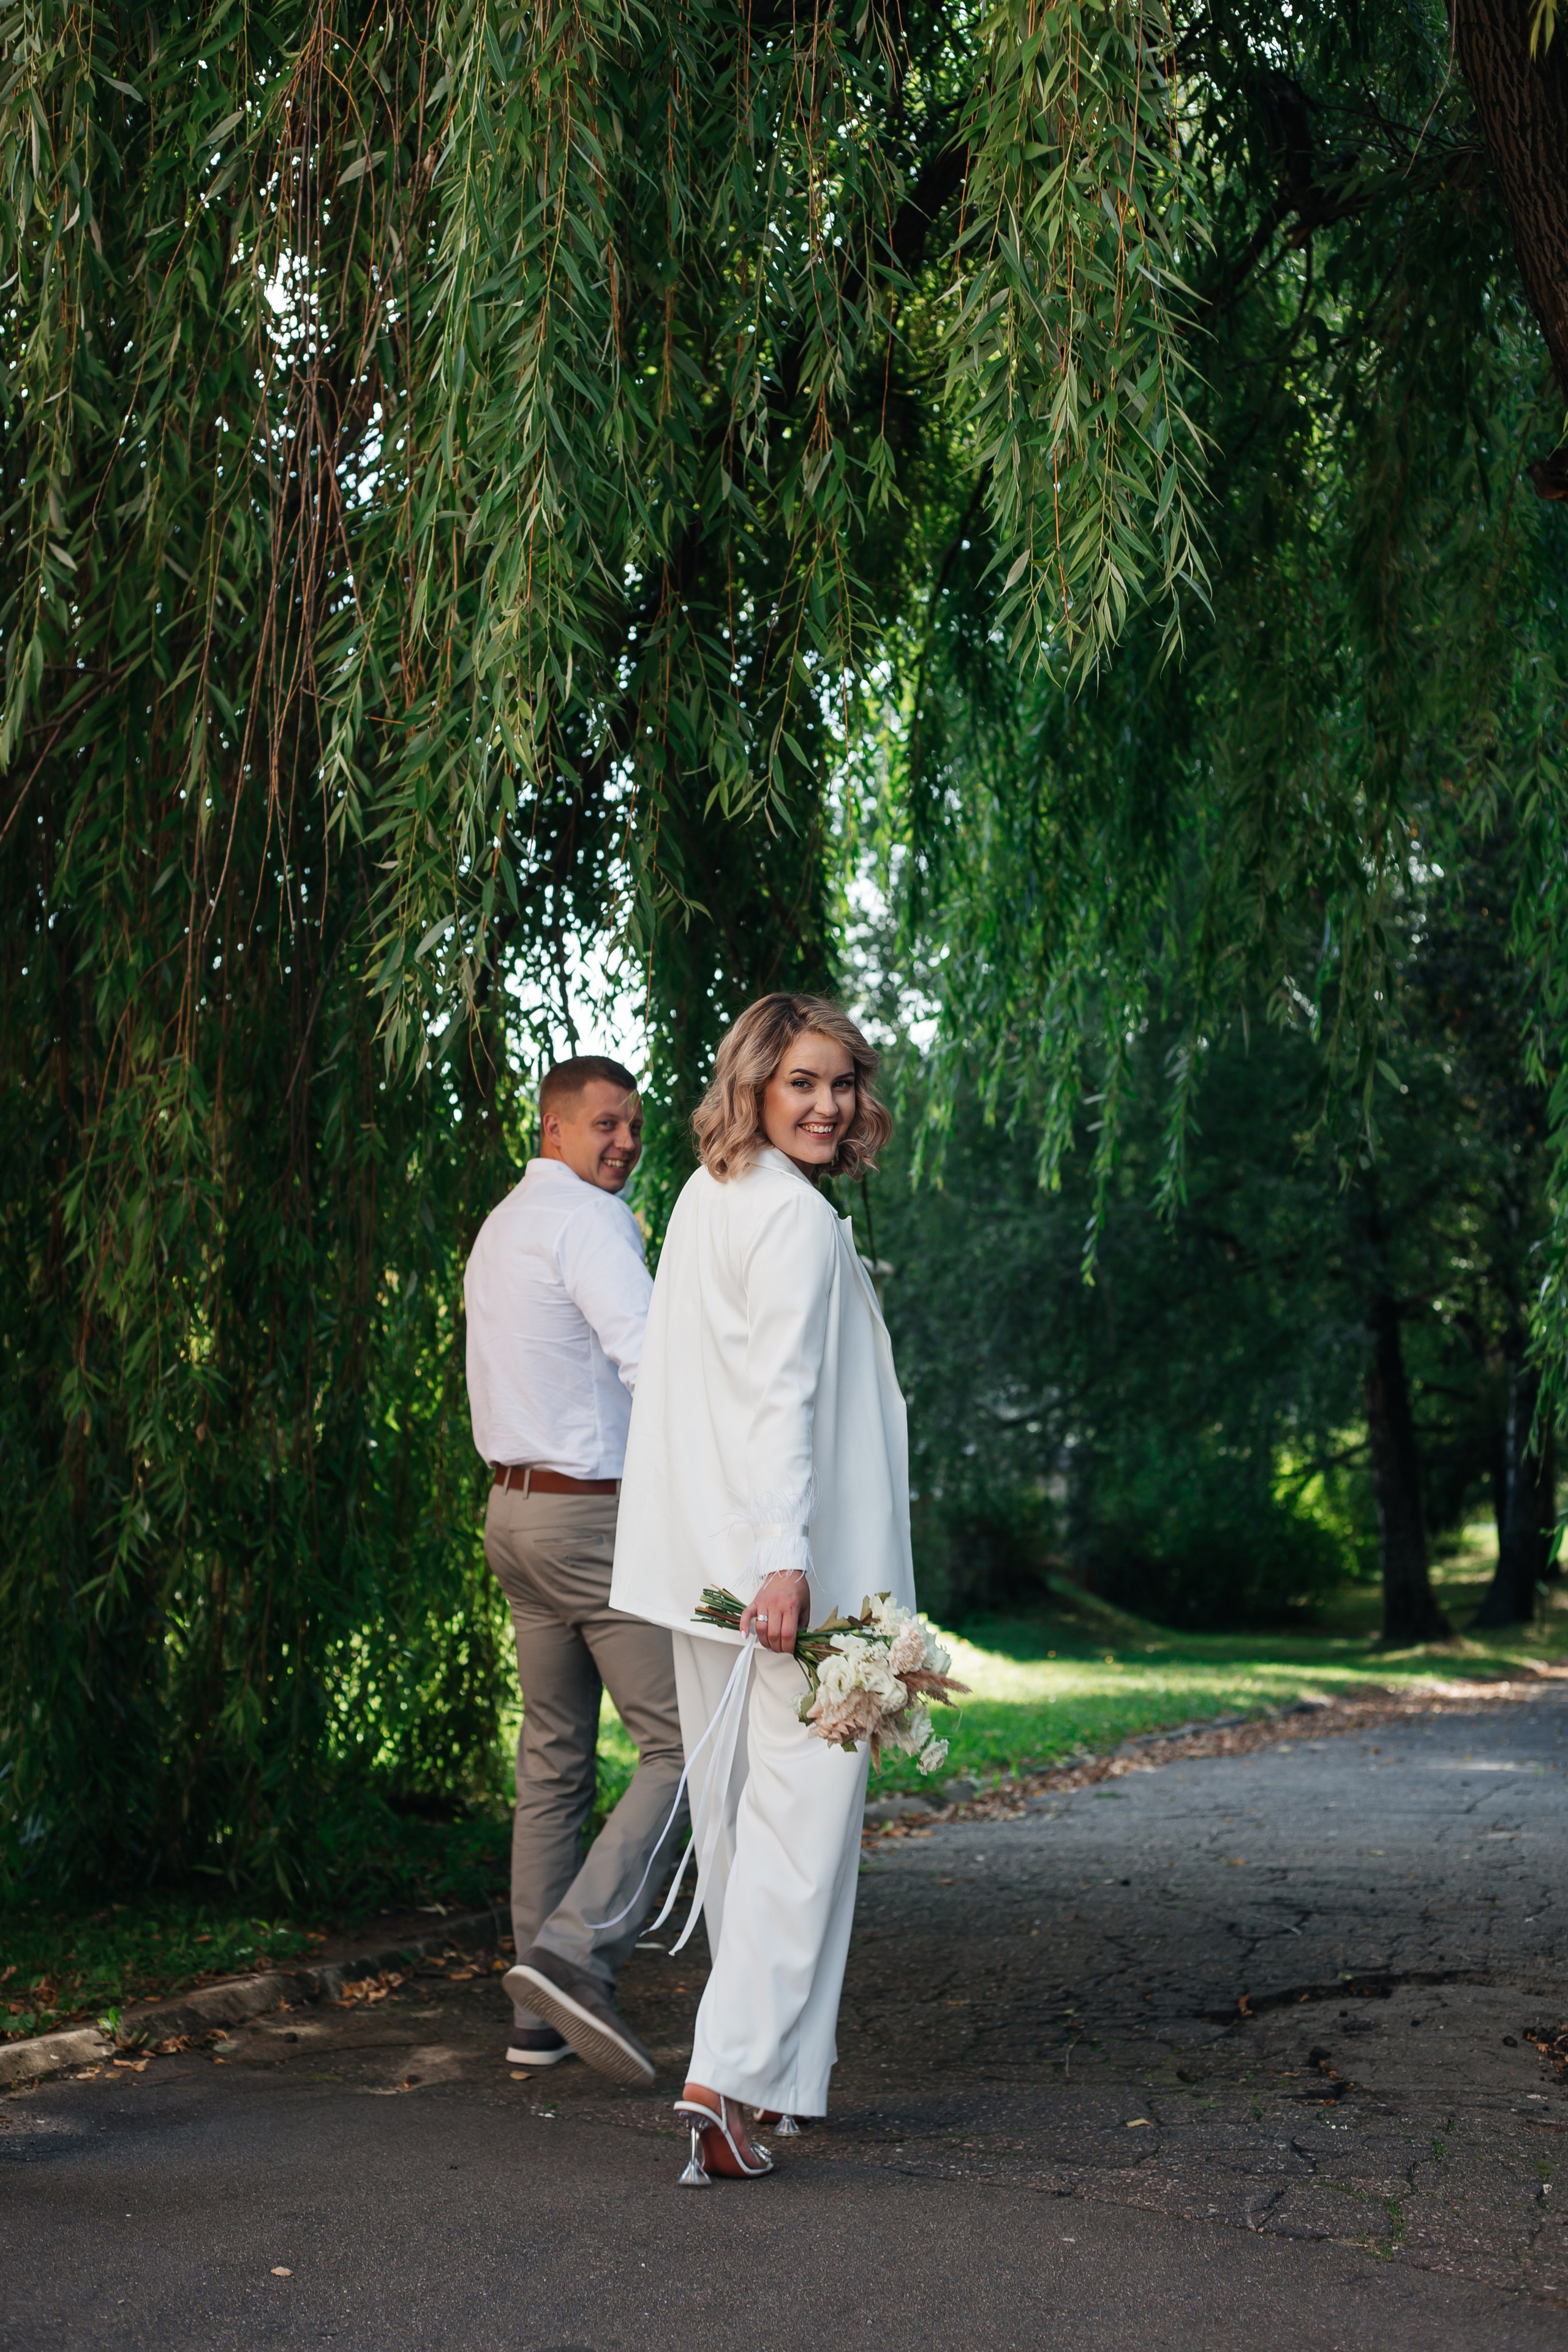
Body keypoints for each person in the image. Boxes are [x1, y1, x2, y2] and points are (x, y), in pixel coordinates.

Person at [609, 993, 914, 2180]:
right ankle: (724, 2078)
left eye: (841, 1083)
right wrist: (785, 1559)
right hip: (791, 1583)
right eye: (802, 1082)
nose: (829, 1104)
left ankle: (771, 2087)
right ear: (752, 1086)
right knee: (802, 1835)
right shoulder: (795, 1222)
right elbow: (777, 1399)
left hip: (702, 1576)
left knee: (745, 1828)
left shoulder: (702, 1198)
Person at [464, 1054, 684, 2085]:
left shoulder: (502, 1224)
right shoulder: (589, 1223)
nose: (626, 1143)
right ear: (554, 1128)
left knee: (552, 1760)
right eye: (606, 1124)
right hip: (590, 1521)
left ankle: (535, 2019)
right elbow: (650, 1360)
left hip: (513, 1513)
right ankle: (575, 1951)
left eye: (634, 1125)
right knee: (683, 1747)